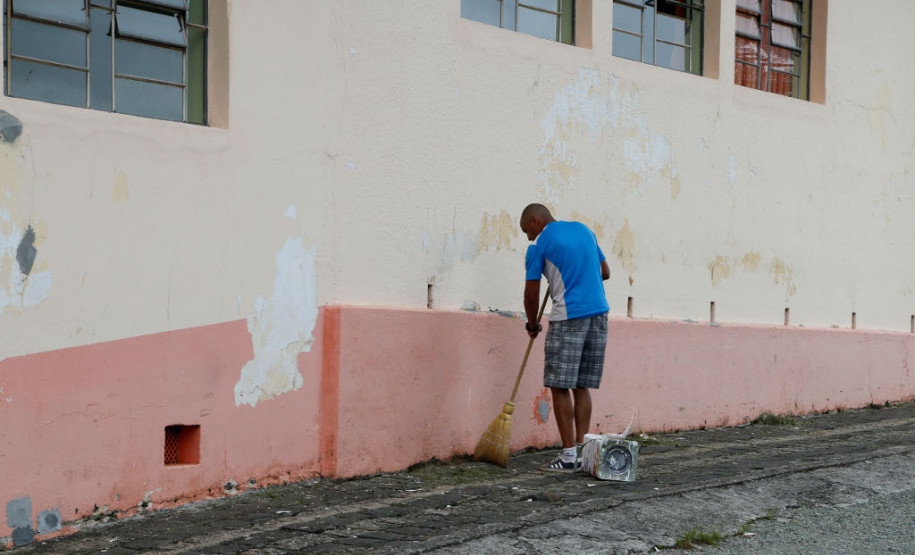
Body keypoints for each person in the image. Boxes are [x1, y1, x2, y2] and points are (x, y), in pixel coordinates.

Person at [519, 203, 611, 472]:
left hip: (569, 316)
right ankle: (584, 453)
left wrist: (533, 324)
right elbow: (605, 272)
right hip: (599, 313)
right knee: (581, 385)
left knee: (559, 385)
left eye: (527, 231)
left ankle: (569, 456)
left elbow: (531, 294)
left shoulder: (539, 246)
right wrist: (576, 274)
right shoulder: (585, 231)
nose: (528, 237)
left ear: (536, 221)